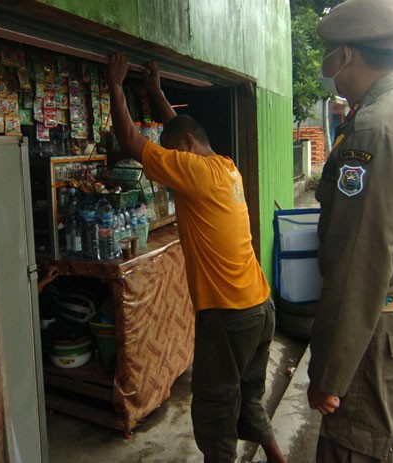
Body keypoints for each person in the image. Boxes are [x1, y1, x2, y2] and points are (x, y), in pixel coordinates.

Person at [106, 52, 287, 463]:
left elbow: (132, 142)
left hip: (227, 317)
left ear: (186, 149)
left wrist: (116, 86)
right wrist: (154, 89)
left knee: (214, 417)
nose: (173, 163)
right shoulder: (224, 167)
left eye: (175, 153)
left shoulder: (196, 171)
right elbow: (181, 130)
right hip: (260, 308)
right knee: (248, 400)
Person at [304, 0, 393, 461]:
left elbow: (361, 263)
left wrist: (330, 371)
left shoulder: (375, 129)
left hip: (385, 323)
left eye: (329, 54)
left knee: (357, 447)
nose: (328, 64)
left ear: (345, 55)